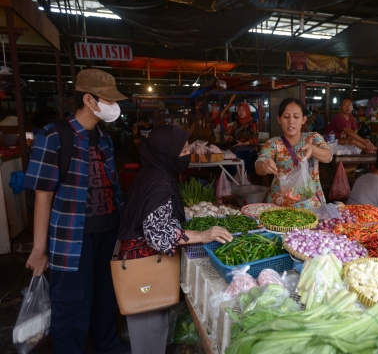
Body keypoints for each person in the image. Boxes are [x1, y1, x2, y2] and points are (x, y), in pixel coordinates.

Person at [23, 69, 130, 354]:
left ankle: (107, 345)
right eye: (108, 99)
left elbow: (113, 187)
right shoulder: (53, 136)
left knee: (105, 298)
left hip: (108, 233)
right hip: (72, 239)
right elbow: (42, 195)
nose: (114, 106)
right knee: (72, 303)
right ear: (88, 99)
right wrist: (39, 249)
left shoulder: (104, 138)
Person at [117, 125, 232, 354]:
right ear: (165, 152)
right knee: (149, 334)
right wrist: (203, 235)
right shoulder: (158, 181)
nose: (189, 153)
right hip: (145, 271)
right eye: (183, 150)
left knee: (152, 330)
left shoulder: (153, 172)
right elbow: (157, 233)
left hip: (142, 265)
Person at [256, 98, 333, 209]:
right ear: (279, 119)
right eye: (286, 117)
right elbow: (259, 164)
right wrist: (264, 165)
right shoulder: (273, 144)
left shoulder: (313, 138)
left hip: (310, 205)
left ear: (303, 119)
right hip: (280, 206)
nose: (291, 121)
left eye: (296, 117)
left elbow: (328, 157)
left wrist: (312, 149)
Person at [227, 102, 259, 175]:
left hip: (248, 150)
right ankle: (232, 180)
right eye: (239, 110)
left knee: (238, 159)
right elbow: (231, 135)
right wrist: (232, 142)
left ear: (247, 111)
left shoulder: (252, 124)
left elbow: (255, 139)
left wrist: (243, 143)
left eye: (243, 110)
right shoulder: (235, 124)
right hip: (236, 148)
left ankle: (241, 179)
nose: (241, 112)